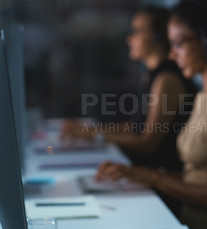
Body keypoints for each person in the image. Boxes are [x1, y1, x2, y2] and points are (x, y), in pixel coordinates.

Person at [95, 0, 207, 228]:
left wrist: (153, 177)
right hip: (184, 218)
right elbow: (195, 176)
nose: (173, 55)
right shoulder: (203, 96)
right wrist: (139, 174)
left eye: (178, 44)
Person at [61, 6, 196, 172]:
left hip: (160, 175)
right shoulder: (151, 76)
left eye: (137, 31)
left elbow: (147, 143)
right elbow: (135, 126)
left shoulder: (166, 79)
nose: (129, 39)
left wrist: (94, 135)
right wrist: (88, 130)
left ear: (158, 37)